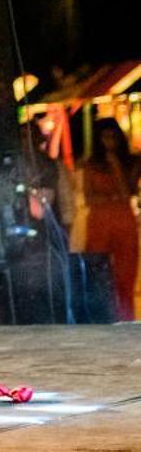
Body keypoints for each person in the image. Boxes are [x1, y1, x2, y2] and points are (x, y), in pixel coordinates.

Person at [81, 120, 138, 321]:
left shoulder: (132, 162)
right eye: (105, 137)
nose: (109, 142)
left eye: (113, 136)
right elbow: (88, 198)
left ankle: (126, 319)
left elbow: (126, 193)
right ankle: (103, 318)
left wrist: (115, 163)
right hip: (99, 222)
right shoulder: (91, 164)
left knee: (125, 276)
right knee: (99, 272)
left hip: (123, 221)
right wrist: (111, 198)